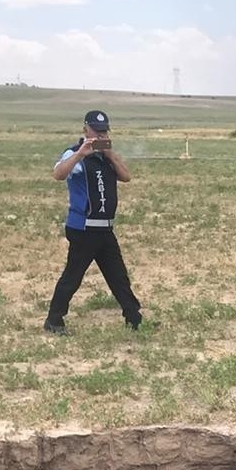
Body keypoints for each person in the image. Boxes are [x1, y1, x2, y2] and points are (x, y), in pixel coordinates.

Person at [44, 109, 143, 335]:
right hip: (83, 228)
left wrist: (111, 155)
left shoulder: (107, 158)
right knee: (73, 277)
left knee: (119, 277)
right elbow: (58, 174)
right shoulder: (74, 155)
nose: (100, 135)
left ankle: (135, 319)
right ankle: (54, 320)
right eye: (96, 131)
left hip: (105, 229)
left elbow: (126, 177)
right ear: (85, 129)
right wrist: (80, 154)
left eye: (104, 131)